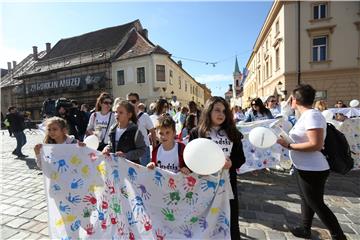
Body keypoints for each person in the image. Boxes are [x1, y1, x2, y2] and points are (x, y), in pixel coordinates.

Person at [276, 84, 347, 240]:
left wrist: (288, 145)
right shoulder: (306, 115)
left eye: (291, 99)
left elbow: (315, 144)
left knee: (317, 203)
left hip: (313, 168)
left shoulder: (312, 116)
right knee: (306, 199)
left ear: (294, 100)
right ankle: (305, 228)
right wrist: (286, 110)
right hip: (304, 166)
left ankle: (338, 235)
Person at [189, 96, 246, 240]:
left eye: (224, 111)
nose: (221, 114)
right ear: (208, 111)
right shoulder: (197, 133)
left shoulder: (233, 133)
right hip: (203, 186)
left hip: (227, 186)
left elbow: (241, 158)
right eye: (217, 110)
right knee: (204, 221)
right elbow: (190, 158)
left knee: (229, 218)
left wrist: (231, 163)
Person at [102, 100, 146, 164]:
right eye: (116, 112)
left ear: (129, 115)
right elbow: (111, 145)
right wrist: (107, 149)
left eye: (121, 112)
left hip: (130, 169)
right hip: (115, 166)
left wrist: (126, 155)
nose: (117, 115)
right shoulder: (112, 129)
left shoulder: (135, 131)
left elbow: (142, 150)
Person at [127, 93, 157, 166]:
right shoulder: (125, 116)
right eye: (128, 101)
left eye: (133, 101)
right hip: (130, 150)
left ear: (138, 102)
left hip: (143, 149)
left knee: (143, 173)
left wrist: (154, 149)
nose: (131, 103)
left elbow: (153, 132)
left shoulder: (144, 116)